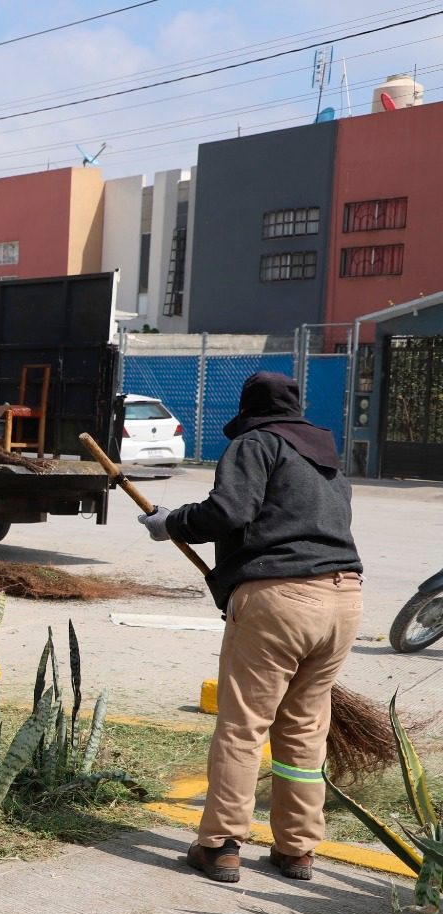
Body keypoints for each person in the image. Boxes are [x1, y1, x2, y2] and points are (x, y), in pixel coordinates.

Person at [138, 371, 361, 884]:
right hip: (344, 598)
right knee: (305, 730)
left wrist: (171, 522)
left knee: (244, 726)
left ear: (252, 412)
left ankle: (220, 846)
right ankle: (298, 848)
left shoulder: (256, 444)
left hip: (280, 599)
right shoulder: (324, 455)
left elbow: (228, 512)